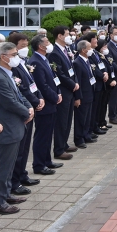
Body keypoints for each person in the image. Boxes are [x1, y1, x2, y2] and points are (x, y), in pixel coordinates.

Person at [0, 41, 33, 215]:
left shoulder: (7, 74)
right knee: (4, 165)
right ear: (3, 57)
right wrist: (26, 113)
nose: (17, 57)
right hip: (8, 126)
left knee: (10, 164)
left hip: (15, 125)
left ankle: (6, 193)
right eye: (14, 55)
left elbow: (19, 95)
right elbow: (10, 102)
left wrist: (29, 107)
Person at [7, 33, 42, 192]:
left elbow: (32, 84)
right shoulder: (12, 67)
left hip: (31, 108)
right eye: (22, 46)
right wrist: (33, 102)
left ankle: (22, 174)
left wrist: (39, 98)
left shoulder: (23, 62)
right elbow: (21, 90)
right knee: (19, 149)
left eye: (26, 45)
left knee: (25, 146)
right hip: (23, 111)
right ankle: (15, 181)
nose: (25, 49)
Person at [29, 34, 68, 174]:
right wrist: (54, 97)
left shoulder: (44, 59)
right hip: (45, 103)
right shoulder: (35, 62)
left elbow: (54, 79)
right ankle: (39, 165)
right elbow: (42, 85)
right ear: (40, 46)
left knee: (48, 134)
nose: (49, 43)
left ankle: (47, 160)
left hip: (52, 101)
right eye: (47, 42)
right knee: (42, 136)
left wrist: (58, 93)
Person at [48, 26, 80, 156]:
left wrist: (76, 82)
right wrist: (72, 84)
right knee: (61, 121)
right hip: (64, 89)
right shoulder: (54, 52)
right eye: (67, 34)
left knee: (67, 120)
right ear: (60, 36)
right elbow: (59, 73)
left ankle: (64, 144)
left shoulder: (66, 49)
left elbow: (72, 69)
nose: (70, 37)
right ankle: (59, 149)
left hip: (71, 89)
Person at [71, 41, 96, 148]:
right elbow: (78, 81)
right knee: (81, 118)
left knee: (87, 117)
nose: (91, 50)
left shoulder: (87, 61)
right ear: (83, 50)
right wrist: (78, 97)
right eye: (89, 48)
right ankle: (79, 138)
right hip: (83, 94)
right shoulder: (77, 62)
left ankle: (86, 135)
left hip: (90, 92)